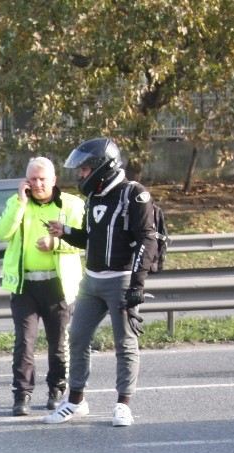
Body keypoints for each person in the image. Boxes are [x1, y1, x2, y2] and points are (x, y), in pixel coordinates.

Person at [43, 138, 158, 427]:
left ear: (100, 167)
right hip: (91, 281)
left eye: (84, 169)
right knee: (78, 337)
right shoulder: (95, 197)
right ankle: (76, 402)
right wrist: (65, 231)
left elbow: (148, 239)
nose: (80, 175)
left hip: (120, 281)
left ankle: (123, 404)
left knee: (125, 343)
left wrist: (137, 284)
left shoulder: (134, 195)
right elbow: (92, 238)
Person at [0, 156, 85, 416]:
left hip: (57, 285)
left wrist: (55, 244)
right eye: (32, 179)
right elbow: (1, 233)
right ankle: (22, 394)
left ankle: (57, 388)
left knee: (58, 343)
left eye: (42, 179)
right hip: (25, 286)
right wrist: (20, 204)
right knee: (24, 342)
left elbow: (85, 242)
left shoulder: (71, 205)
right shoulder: (17, 203)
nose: (37, 184)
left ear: (54, 180)